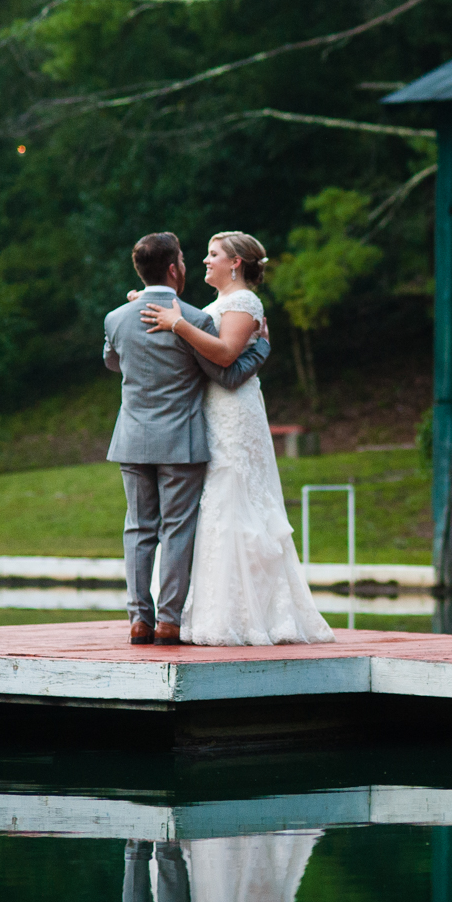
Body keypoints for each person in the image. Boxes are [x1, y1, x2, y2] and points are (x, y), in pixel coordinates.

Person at [140, 231, 334, 646]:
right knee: (210, 504)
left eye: (213, 255)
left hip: (233, 413)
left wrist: (177, 324)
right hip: (210, 409)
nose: (205, 261)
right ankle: (199, 612)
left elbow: (226, 353)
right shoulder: (213, 306)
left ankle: (246, 616)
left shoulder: (245, 303)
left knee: (233, 495)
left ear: (236, 264)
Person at [105, 232, 270, 647]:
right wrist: (260, 350)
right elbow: (225, 373)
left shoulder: (115, 318)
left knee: (138, 529)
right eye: (184, 258)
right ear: (174, 269)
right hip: (181, 440)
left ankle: (139, 620)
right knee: (177, 530)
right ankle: (169, 623)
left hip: (132, 438)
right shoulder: (194, 321)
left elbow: (111, 360)